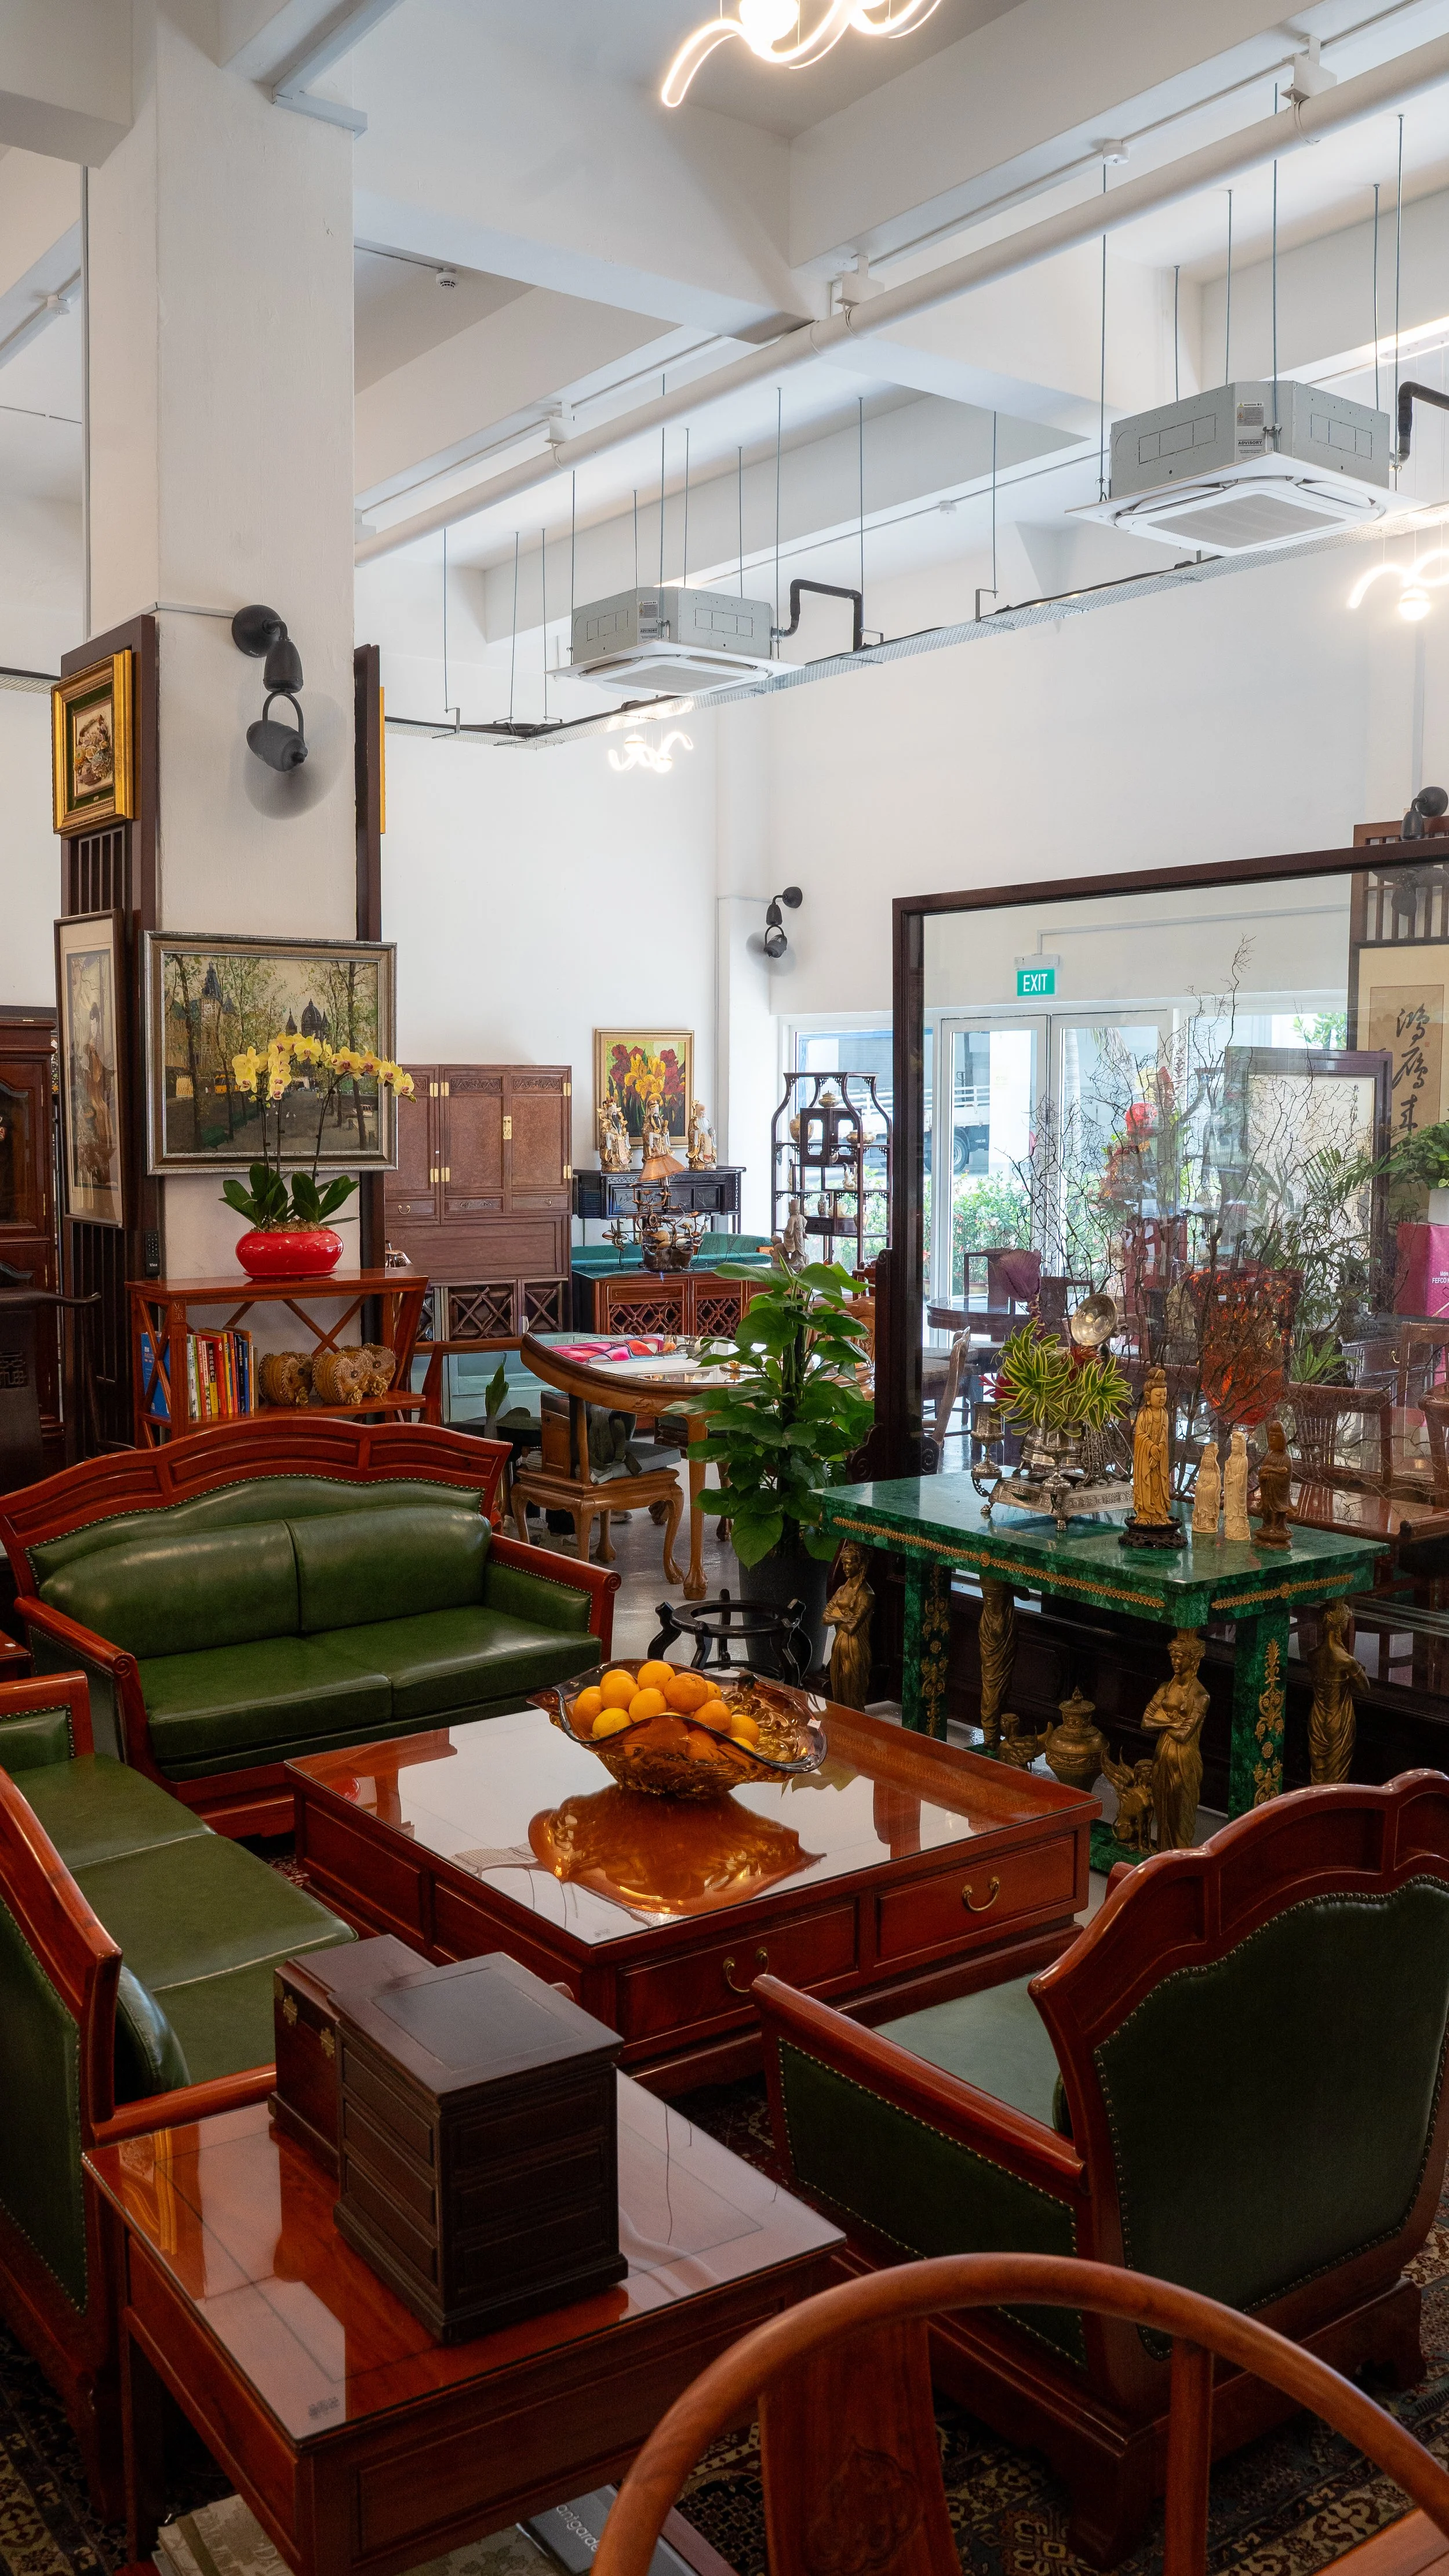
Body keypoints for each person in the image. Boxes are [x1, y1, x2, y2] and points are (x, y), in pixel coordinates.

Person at [1141, 1627, 1210, 1850]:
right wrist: (1171, 1722)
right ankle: (1163, 1858)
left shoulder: (1201, 1696)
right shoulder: (1165, 1688)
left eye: (1180, 1657)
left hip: (1185, 1761)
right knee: (1163, 1813)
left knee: (1181, 1816)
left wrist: (1161, 1719)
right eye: (1173, 1656)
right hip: (1162, 1757)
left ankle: (1179, 1862)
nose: (1175, 1661)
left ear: (1193, 1659)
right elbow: (1145, 1723)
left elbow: (1184, 1735)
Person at [823, 1544, 874, 1709]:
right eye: (843, 1563)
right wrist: (844, 1617)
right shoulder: (841, 1589)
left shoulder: (867, 1594)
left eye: (849, 1563)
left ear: (860, 1565)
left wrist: (837, 1615)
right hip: (838, 1645)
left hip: (855, 1648)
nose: (845, 1567)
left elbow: (852, 1627)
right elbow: (825, 1618)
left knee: (853, 1693)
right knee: (838, 1692)